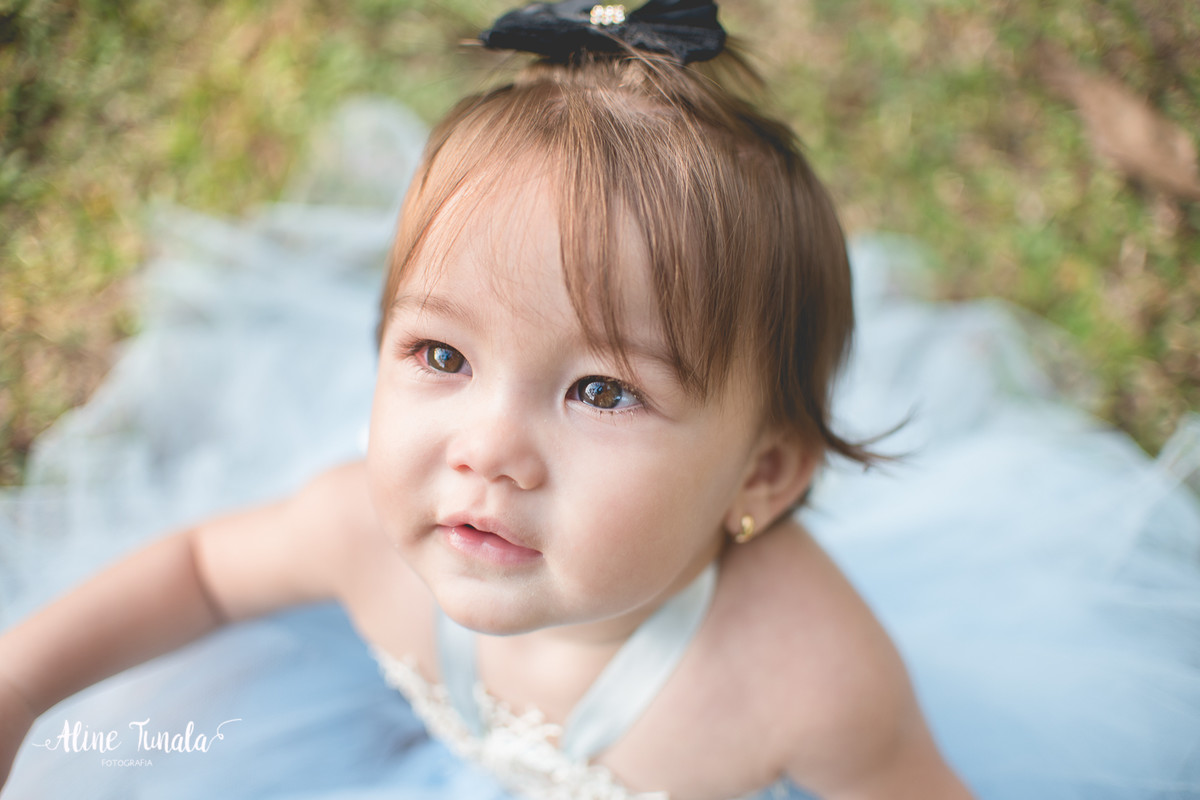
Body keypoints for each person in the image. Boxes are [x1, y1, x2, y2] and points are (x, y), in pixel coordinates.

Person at [2, 2, 1199, 799]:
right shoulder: (360, 530)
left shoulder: (802, 670)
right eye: (440, 356)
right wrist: (19, 686)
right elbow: (206, 571)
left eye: (600, 388)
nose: (489, 449)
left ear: (760, 478)